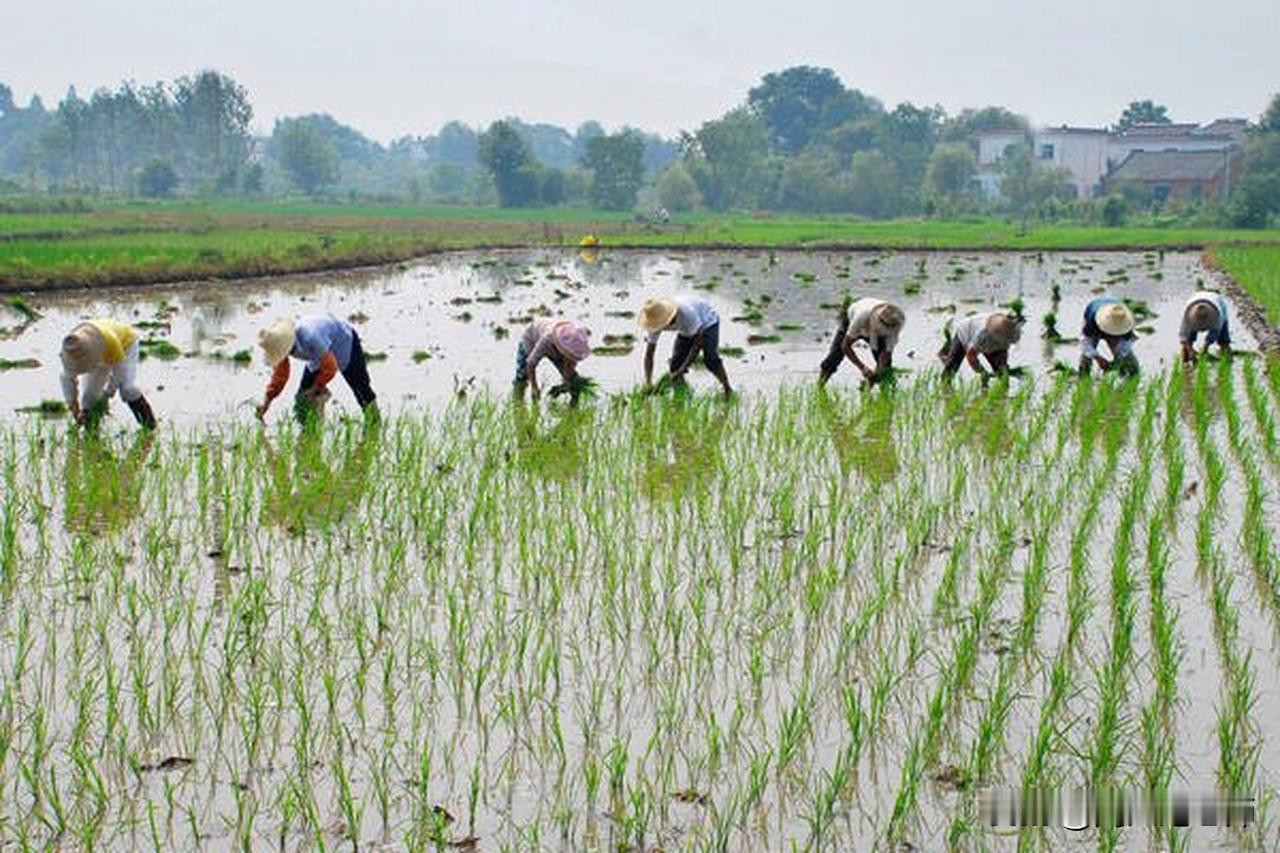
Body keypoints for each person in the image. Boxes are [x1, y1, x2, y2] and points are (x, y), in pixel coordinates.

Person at [256, 314, 378, 423]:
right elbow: (280, 378)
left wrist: (316, 388)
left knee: (360, 387)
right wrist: (266, 404)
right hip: (318, 352)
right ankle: (310, 432)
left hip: (344, 341)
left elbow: (330, 368)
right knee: (302, 398)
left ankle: (374, 422)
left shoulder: (310, 337)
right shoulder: (282, 348)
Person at [59, 319, 157, 429]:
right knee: (88, 399)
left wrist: (107, 395)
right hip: (100, 355)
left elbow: (119, 373)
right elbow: (67, 378)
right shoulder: (71, 348)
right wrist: (74, 407)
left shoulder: (111, 341)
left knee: (127, 389)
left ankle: (150, 426)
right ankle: (91, 434)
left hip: (125, 347)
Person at [638, 295, 733, 398]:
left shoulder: (686, 314)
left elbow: (697, 344)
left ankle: (727, 389)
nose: (661, 327)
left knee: (710, 359)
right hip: (686, 329)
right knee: (675, 365)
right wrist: (648, 382)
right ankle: (682, 396)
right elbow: (649, 354)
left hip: (708, 322)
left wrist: (682, 369)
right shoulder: (654, 324)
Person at [818, 297, 905, 387]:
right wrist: (862, 367)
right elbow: (845, 346)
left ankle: (870, 388)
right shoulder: (861, 316)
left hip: (876, 325)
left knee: (885, 367)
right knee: (835, 356)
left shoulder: (895, 322)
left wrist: (879, 371)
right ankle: (820, 386)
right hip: (852, 320)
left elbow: (886, 352)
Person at [513, 318, 591, 403]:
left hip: (557, 347)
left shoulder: (574, 342)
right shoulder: (546, 341)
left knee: (574, 381)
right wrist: (534, 387)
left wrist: (565, 384)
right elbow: (530, 364)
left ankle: (573, 408)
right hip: (531, 339)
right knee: (522, 375)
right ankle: (518, 401)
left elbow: (569, 369)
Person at [939, 310, 1023, 377]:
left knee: (1002, 374)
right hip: (965, 333)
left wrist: (1003, 365)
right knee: (949, 372)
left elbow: (1003, 350)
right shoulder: (982, 335)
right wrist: (982, 372)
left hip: (992, 344)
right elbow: (971, 355)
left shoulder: (1010, 332)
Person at [1078, 297, 1138, 375]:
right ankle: (1083, 376)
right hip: (1095, 326)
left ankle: (1132, 375)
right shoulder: (1092, 320)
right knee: (1086, 358)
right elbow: (1085, 343)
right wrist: (1098, 358)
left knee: (1130, 361)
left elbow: (1125, 346)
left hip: (1117, 316)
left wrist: (1117, 360)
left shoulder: (1126, 322)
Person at [1179, 291, 1231, 363]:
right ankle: (1185, 365)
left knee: (1223, 340)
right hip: (1196, 299)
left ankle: (1227, 360)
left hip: (1217, 302)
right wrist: (1190, 351)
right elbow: (1184, 338)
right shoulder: (1188, 315)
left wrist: (1205, 348)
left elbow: (1214, 333)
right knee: (1187, 342)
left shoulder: (1217, 315)